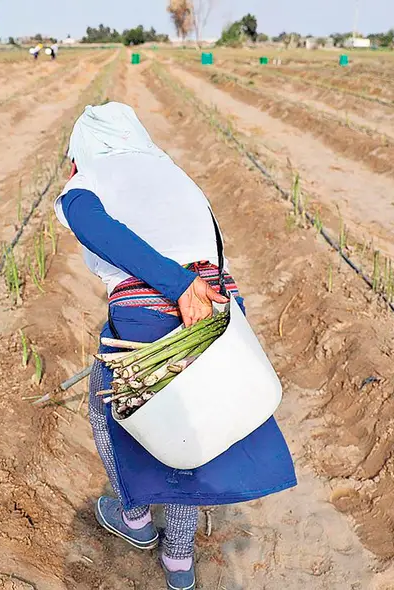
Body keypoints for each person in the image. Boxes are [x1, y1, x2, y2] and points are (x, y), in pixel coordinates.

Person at [53, 102, 297, 590]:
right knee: (194, 428)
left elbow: (89, 224)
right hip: (217, 304)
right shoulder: (174, 174)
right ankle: (180, 559)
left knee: (114, 410)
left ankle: (136, 520)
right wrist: (197, 291)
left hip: (162, 305)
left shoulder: (90, 179)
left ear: (84, 150)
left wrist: (174, 284)